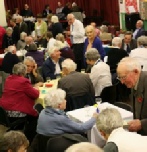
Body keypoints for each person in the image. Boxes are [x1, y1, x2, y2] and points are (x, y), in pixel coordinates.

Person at [117, 57, 147, 135]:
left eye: (123, 77)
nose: (122, 82)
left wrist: (142, 124)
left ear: (136, 72)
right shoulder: (134, 83)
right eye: (120, 78)